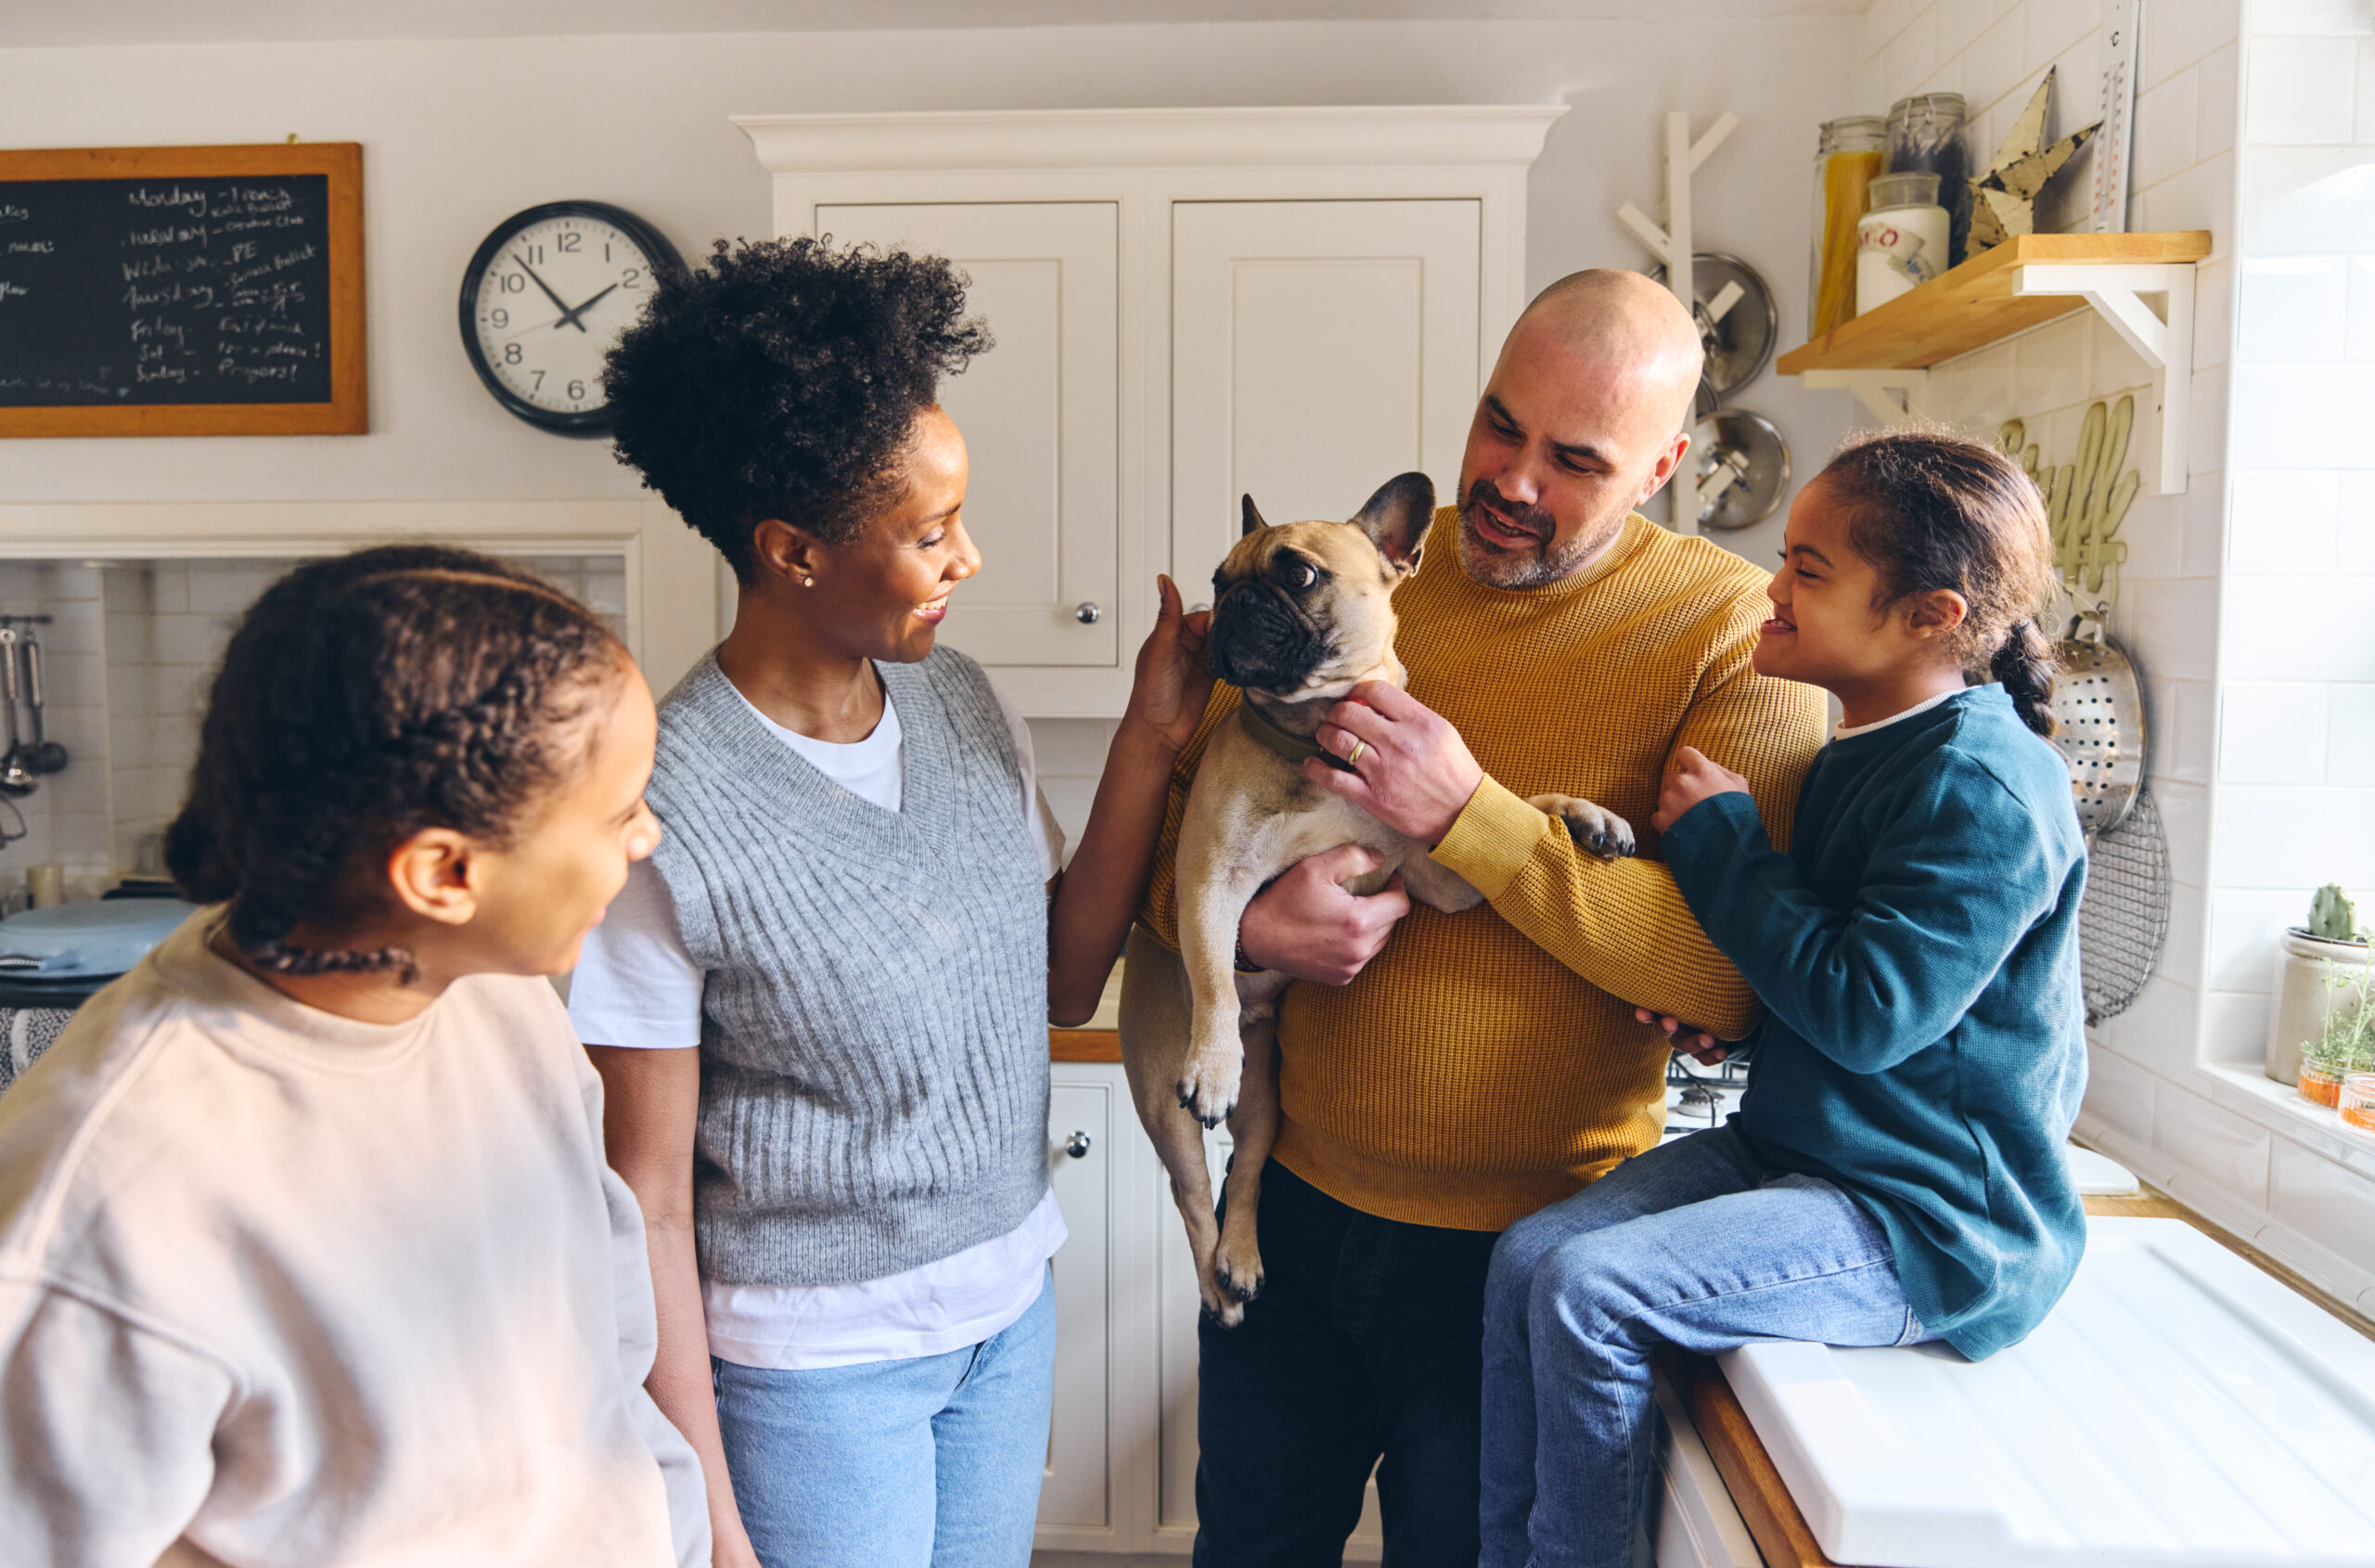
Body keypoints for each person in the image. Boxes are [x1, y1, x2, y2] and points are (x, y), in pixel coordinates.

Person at [1134, 268, 1829, 1566]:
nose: (1510, 481)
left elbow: (1736, 975)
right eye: (1499, 425)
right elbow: (1175, 857)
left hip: (1531, 1250)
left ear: (1666, 464)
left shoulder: (1730, 631)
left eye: (1574, 457)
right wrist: (1246, 935)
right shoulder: (1358, 581)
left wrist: (1472, 816)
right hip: (1288, 1200)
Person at [577, 237, 1211, 1568]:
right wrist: (708, 1508)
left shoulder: (962, 702)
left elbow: (1060, 979)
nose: (969, 558)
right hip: (810, 1366)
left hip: (1006, 1306)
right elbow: (649, 1199)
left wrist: (1152, 739)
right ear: (793, 550)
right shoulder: (663, 806)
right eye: (930, 533)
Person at [0, 546, 708, 1565]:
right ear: (443, 872)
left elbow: (603, 1368)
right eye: (618, 811)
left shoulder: (500, 1000)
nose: (647, 837)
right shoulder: (103, 1201)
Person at [1479, 430, 2089, 1568]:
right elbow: (1830, 976)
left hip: (1922, 1217)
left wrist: (1724, 849)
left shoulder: (1982, 785)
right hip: (1798, 1150)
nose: (1772, 587)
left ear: (1929, 617)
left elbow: (1868, 1011)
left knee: (1584, 1291)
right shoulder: (1863, 746)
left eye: (1807, 570)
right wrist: (1728, 1008)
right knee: (1527, 1259)